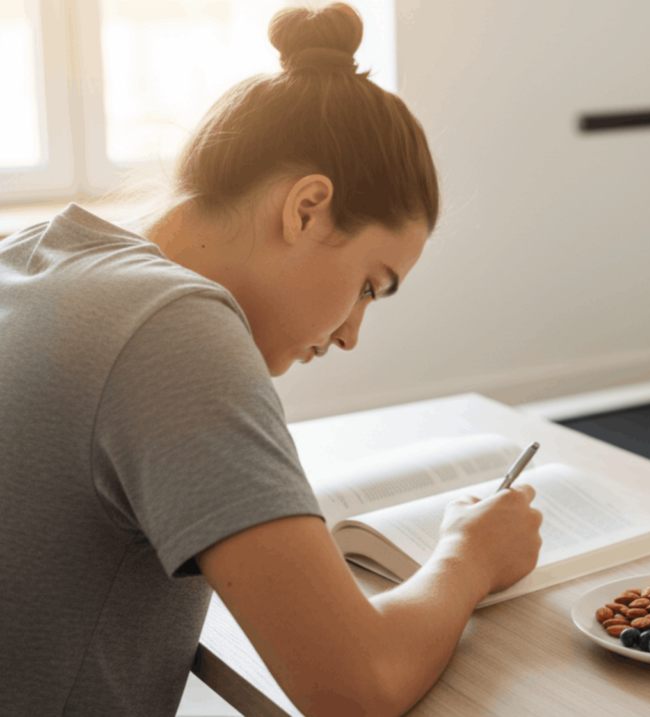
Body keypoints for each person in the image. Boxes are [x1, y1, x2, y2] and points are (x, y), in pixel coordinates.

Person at [0, 4, 544, 716]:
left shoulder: (34, 255)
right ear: (307, 208)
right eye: (369, 286)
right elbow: (357, 685)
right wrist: (469, 556)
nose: (351, 334)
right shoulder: (170, 326)